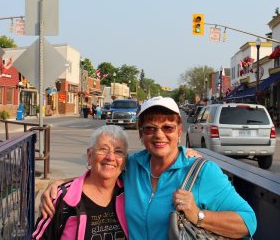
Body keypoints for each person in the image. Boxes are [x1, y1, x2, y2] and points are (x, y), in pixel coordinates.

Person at [41, 96, 257, 239]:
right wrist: (61, 185)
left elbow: (248, 222)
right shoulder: (133, 166)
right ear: (142, 134)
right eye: (150, 128)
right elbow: (103, 171)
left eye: (168, 127)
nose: (159, 135)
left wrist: (198, 214)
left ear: (179, 131)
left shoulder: (202, 172)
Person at [33, 125, 129, 239]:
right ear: (89, 155)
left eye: (118, 151)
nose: (110, 157)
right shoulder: (63, 199)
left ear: (124, 161)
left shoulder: (129, 192)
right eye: (103, 149)